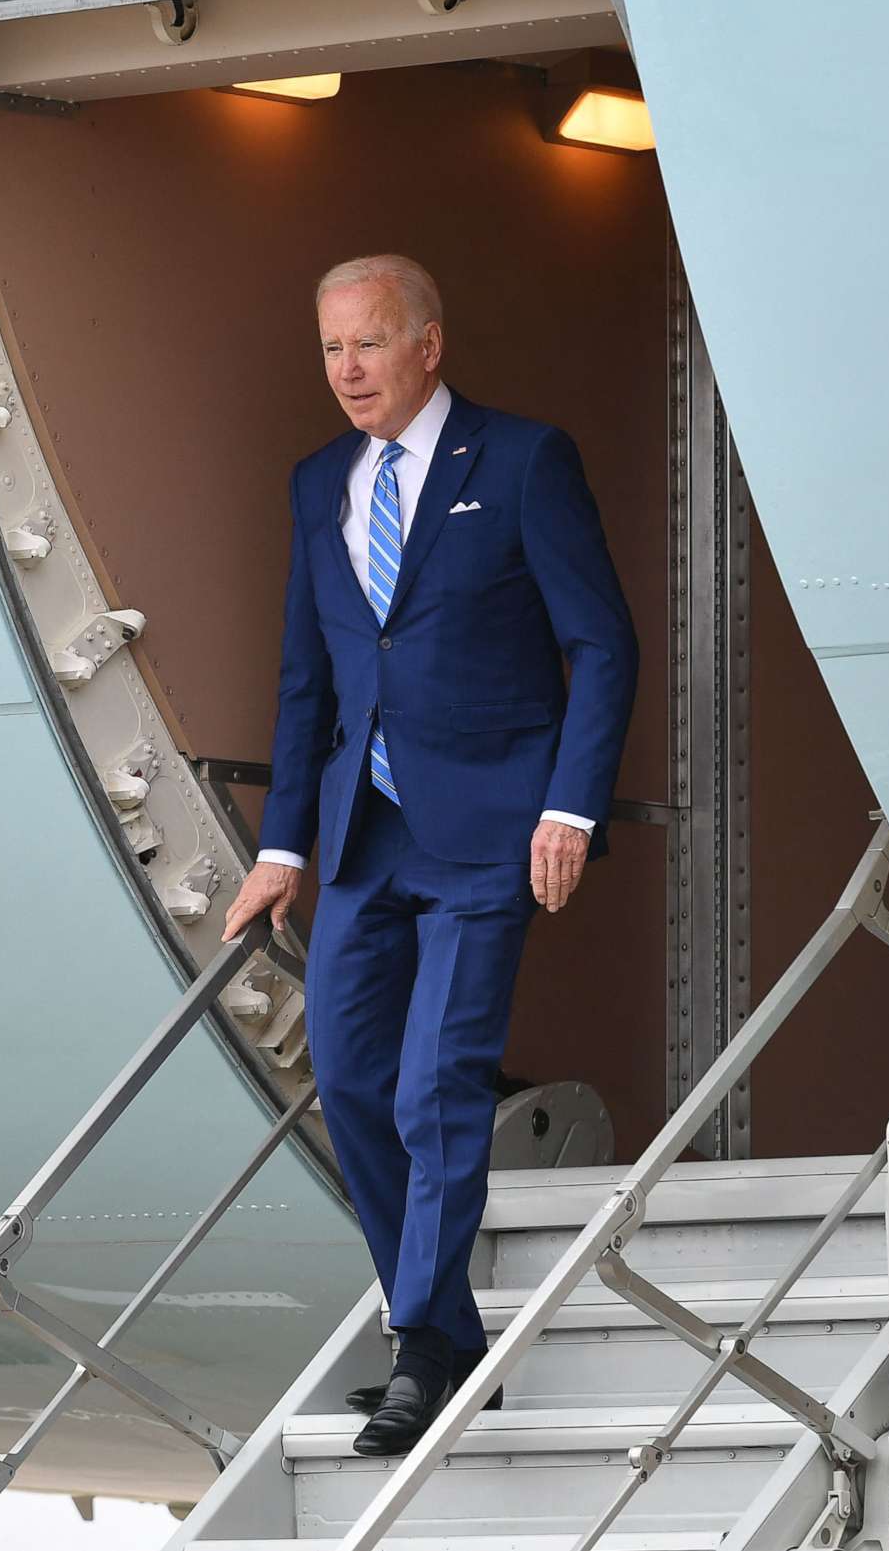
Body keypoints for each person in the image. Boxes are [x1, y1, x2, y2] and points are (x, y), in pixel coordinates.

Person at [220, 254, 638, 1456]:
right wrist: (283, 843)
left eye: (370, 343)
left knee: (435, 1085)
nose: (348, 370)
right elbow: (309, 681)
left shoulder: (520, 462)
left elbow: (600, 644)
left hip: (486, 829)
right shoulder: (319, 484)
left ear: (429, 346)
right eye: (332, 349)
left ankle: (425, 1347)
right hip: (363, 833)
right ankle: (444, 1330)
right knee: (347, 1080)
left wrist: (568, 808)